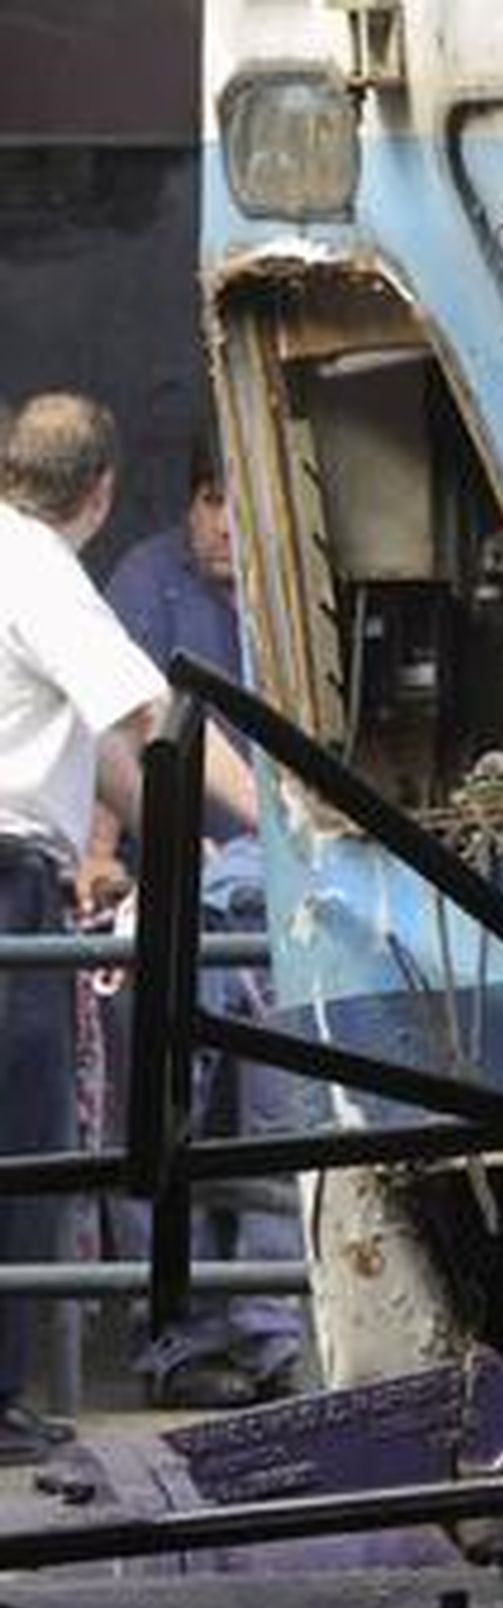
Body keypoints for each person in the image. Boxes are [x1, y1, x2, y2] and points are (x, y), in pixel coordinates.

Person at [0, 392, 257, 1461]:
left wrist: (189, 843)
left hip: (26, 870)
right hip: (6, 880)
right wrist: (300, 832)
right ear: (102, 490)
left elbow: (115, 759)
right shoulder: (41, 566)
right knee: (24, 1147)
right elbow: (154, 722)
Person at [101, 426, 305, 1410]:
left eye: (237, 500)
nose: (220, 521)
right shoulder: (148, 581)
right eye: (206, 499)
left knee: (269, 1108)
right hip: (172, 883)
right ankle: (175, 1340)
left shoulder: (294, 579)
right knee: (159, 1103)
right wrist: (98, 855)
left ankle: (269, 1331)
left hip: (271, 896)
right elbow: (108, 720)